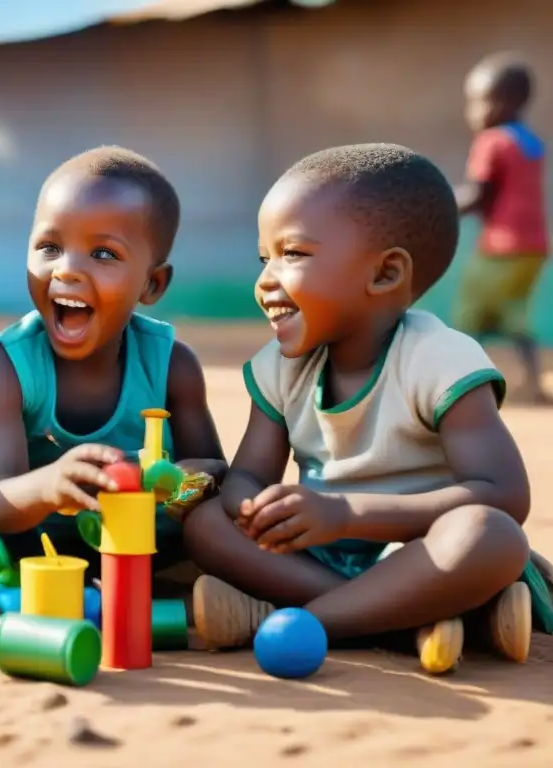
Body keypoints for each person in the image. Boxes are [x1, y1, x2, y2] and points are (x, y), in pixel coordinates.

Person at [184, 143, 552, 675]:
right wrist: (251, 507)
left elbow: (504, 495)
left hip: (422, 554)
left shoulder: (438, 360)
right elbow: (248, 474)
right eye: (265, 258)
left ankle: (306, 622)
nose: (266, 280)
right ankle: (415, 622)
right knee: (205, 524)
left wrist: (344, 514)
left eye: (293, 255)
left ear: (384, 275)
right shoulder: (281, 367)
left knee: (490, 535)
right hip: (318, 558)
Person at [0, 146, 228, 580]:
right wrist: (50, 485)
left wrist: (178, 484)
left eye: (104, 254)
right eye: (50, 247)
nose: (66, 270)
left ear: (152, 283)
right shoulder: (10, 368)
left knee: (219, 530)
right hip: (45, 561)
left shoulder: (172, 365)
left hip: (153, 556)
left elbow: (215, 474)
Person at [453, 53, 549, 404]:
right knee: (514, 316)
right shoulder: (530, 143)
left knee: (469, 313)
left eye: (482, 101)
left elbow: (478, 194)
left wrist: (441, 208)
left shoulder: (491, 141)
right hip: (534, 248)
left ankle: (464, 386)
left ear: (510, 102)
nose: (475, 111)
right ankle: (534, 384)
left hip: (501, 248)